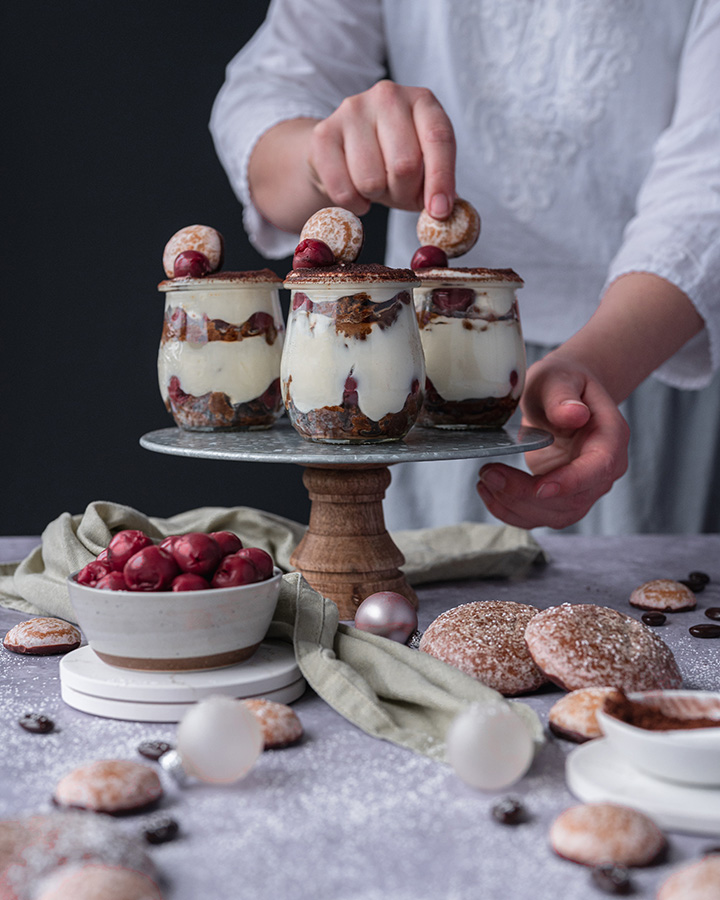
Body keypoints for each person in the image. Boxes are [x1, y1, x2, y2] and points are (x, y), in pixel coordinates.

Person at [210, 0, 720, 535]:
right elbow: (267, 88)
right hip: (419, 364)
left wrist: (599, 364)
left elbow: (704, 189)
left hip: (646, 355)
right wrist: (324, 161)